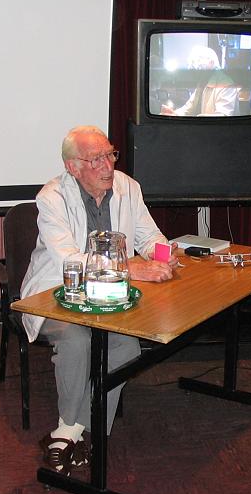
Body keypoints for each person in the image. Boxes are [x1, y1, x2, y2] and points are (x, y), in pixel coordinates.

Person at [20, 125, 178, 474]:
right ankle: (74, 430)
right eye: (96, 159)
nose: (108, 166)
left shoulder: (127, 188)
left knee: (127, 348)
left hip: (109, 297)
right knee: (76, 340)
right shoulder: (52, 198)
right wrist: (132, 269)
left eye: (110, 154)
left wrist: (166, 254)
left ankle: (75, 431)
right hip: (57, 293)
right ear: (73, 167)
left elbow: (149, 236)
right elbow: (68, 259)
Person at [160, 45, 238, 117]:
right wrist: (174, 114)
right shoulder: (203, 82)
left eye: (200, 68)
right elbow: (188, 108)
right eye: (195, 70)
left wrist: (198, 118)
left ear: (211, 63)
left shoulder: (226, 84)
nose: (196, 74)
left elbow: (223, 115)